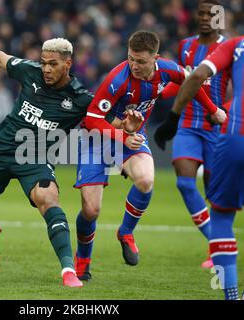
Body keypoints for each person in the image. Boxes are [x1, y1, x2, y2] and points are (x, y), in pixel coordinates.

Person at [0, 37, 142, 287]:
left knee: (48, 199)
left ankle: (68, 271)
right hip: (0, 151)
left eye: (53, 64)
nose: (46, 69)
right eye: (43, 63)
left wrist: (127, 129)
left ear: (68, 63)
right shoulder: (30, 71)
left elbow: (105, 122)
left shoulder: (81, 99)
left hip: (35, 157)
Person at [73, 30, 227, 281]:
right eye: (131, 58)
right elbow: (91, 118)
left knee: (145, 180)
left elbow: (192, 82)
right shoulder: (117, 79)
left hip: (131, 135)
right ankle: (82, 261)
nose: (134, 65)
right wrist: (122, 135)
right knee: (91, 210)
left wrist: (213, 110)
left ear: (156, 57)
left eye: (141, 61)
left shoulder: (168, 70)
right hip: (98, 139)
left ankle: (126, 232)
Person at [153, 0, 231, 269]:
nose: (205, 18)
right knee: (185, 183)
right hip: (187, 125)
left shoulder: (229, 48)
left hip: (217, 127)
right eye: (201, 13)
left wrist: (225, 111)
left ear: (220, 18)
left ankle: (217, 250)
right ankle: (214, 243)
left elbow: (237, 88)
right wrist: (157, 95)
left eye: (211, 14)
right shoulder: (186, 46)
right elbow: (184, 83)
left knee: (215, 194)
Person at [168, 35, 244, 300]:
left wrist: (172, 115)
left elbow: (197, 75)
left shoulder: (235, 46)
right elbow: (185, 77)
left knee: (222, 213)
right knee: (187, 183)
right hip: (196, 127)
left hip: (230, 130)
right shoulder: (186, 45)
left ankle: (231, 296)